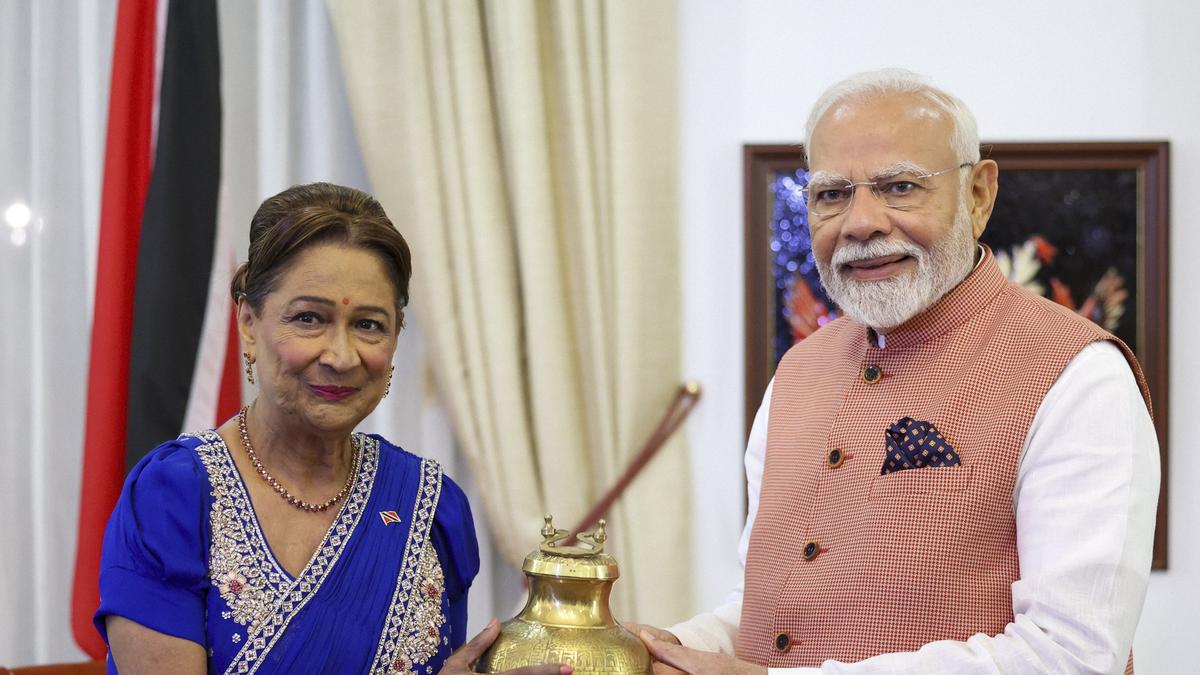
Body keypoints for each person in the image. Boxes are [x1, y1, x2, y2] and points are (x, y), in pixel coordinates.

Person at [637, 70, 1159, 674]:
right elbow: (766, 615)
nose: (861, 223)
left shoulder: (1080, 375)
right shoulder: (798, 372)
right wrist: (654, 649)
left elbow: (1071, 655)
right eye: (832, 195)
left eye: (900, 187)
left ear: (979, 195)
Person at [94, 183, 569, 675]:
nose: (341, 357)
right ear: (249, 323)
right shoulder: (173, 498)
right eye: (308, 319)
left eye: (369, 325)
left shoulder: (430, 506)